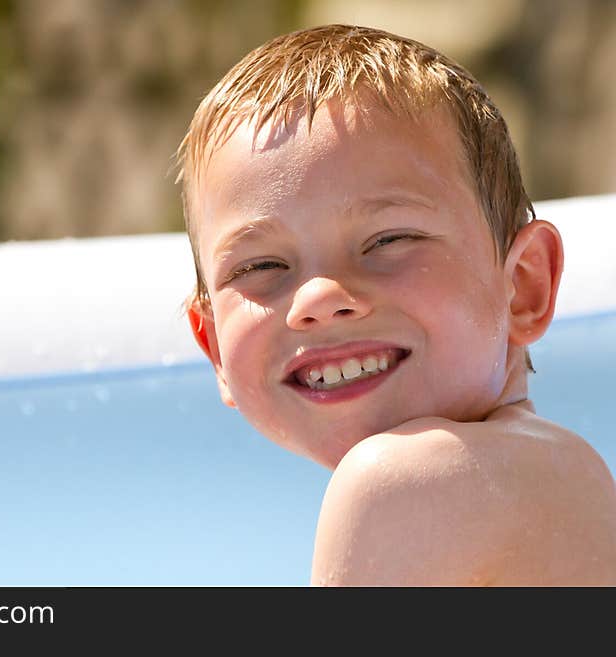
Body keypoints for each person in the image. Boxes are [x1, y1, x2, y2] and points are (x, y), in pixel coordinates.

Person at [175, 24, 616, 585]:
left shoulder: (396, 485)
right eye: (260, 268)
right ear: (214, 346)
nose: (319, 298)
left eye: (387, 241)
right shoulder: (574, 477)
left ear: (524, 284)